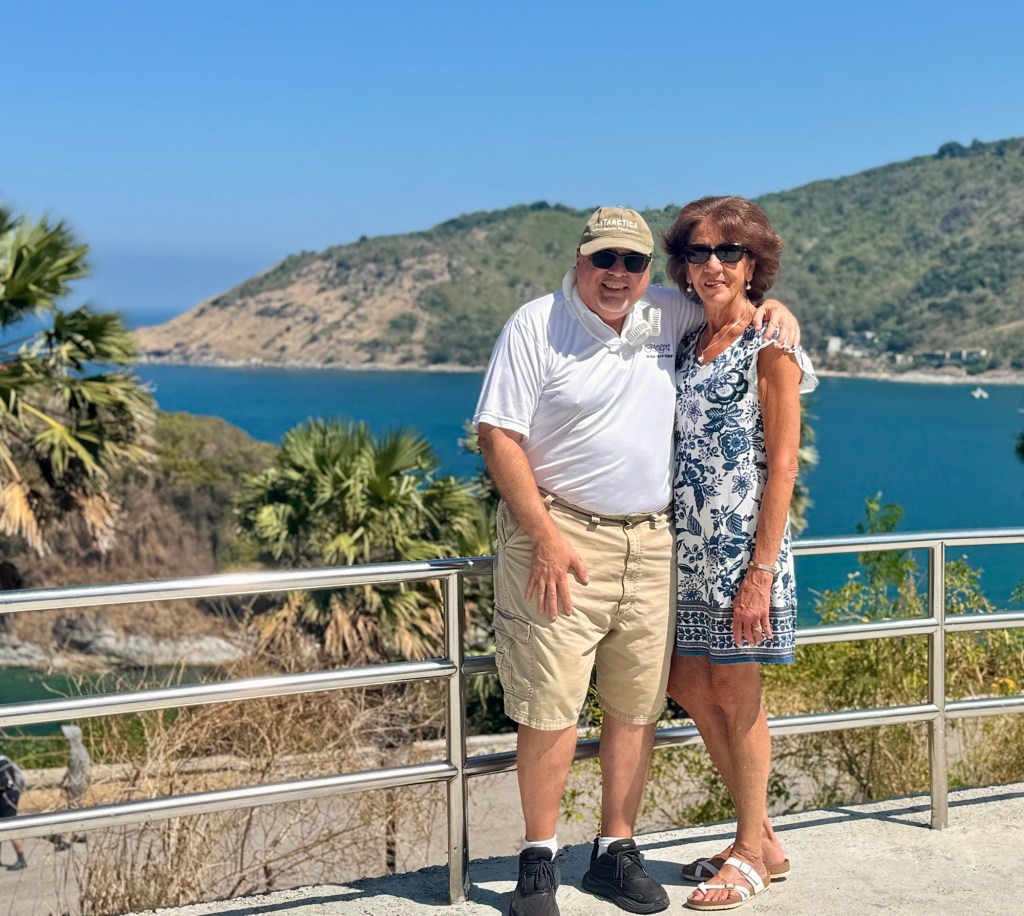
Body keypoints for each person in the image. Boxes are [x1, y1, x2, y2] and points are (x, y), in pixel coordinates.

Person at [473, 206, 800, 916]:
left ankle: (666, 850)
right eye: (605, 258)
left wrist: (776, 308)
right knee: (580, 700)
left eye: (633, 261)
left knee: (675, 698)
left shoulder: (708, 325)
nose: (618, 273)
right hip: (598, 542)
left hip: (691, 546)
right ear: (581, 259)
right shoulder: (557, 323)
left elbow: (780, 454)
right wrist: (544, 535)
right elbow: (497, 435)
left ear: (653, 270)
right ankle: (541, 860)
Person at [662, 196, 816, 911]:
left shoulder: (770, 344)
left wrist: (760, 572)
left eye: (729, 252)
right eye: (699, 252)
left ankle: (750, 852)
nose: (714, 265)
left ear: (753, 263)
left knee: (735, 691)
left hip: (742, 555)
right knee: (688, 685)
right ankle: (764, 839)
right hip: (688, 553)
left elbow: (783, 467)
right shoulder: (688, 341)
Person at [0, 751, 27, 871]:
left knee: (11, 828)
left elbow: (4, 783)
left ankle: (21, 860)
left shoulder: (2, 762)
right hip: (6, 798)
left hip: (7, 800)